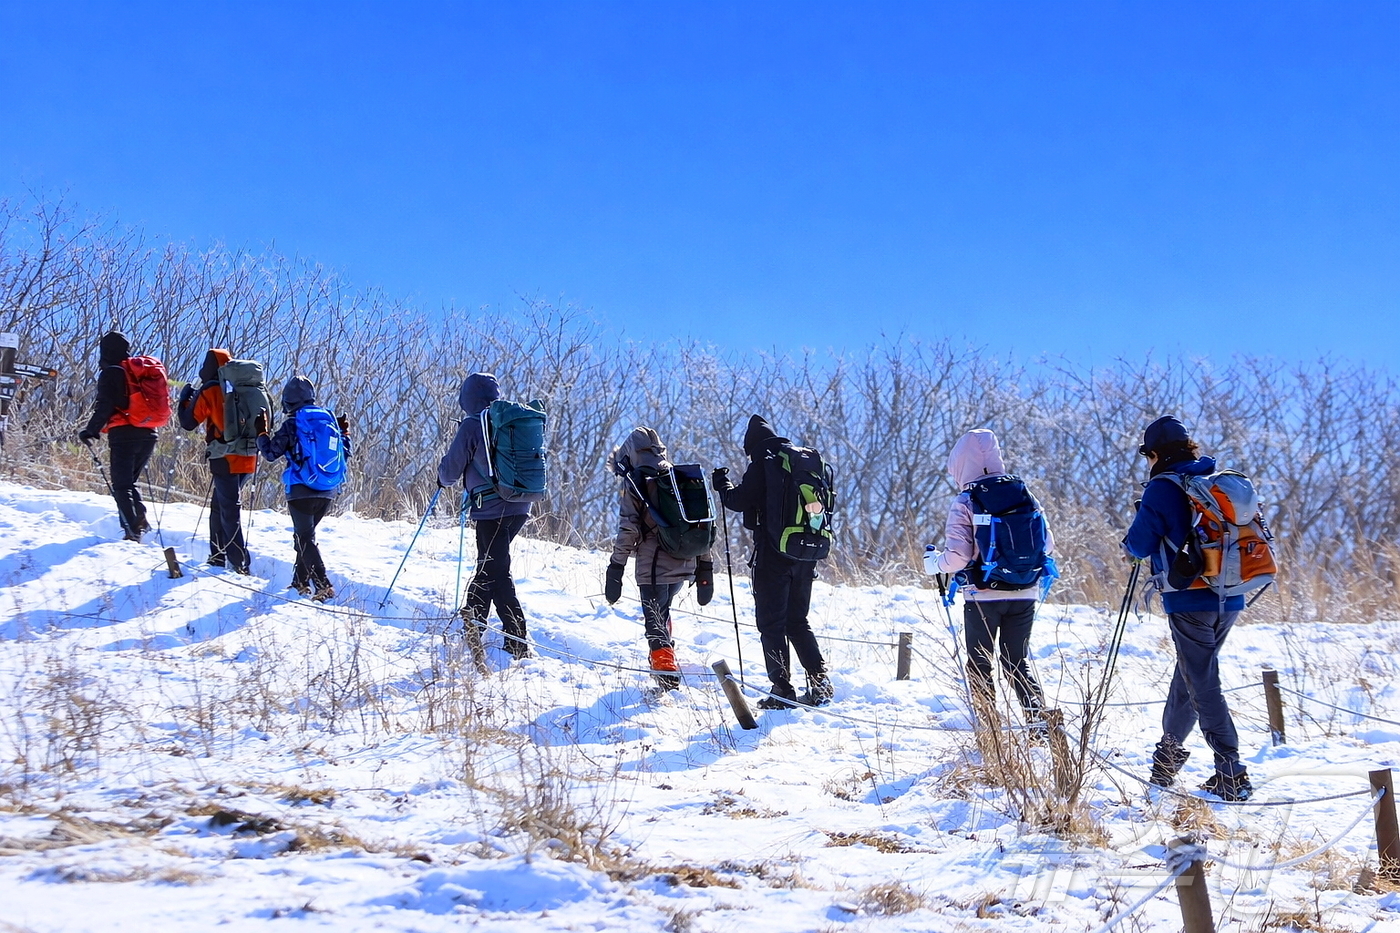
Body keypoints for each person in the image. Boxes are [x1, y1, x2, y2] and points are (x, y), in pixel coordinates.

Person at [1122, 415, 1253, 802]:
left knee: (1202, 681)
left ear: (1156, 453)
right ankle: (1166, 758)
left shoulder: (1162, 488)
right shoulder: (1213, 479)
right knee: (1191, 676)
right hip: (1229, 594)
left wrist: (1128, 545)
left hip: (1189, 596)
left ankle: (1231, 772)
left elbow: (1140, 544)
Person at [923, 429, 1053, 723]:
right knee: (1017, 663)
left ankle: (988, 729)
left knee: (980, 664)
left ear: (959, 463)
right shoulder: (1024, 493)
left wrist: (934, 563)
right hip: (1024, 591)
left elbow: (957, 557)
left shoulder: (966, 500)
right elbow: (1048, 544)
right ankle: (1038, 723)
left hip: (983, 595)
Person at [712, 414, 833, 709]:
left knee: (771, 624)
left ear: (751, 447)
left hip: (773, 556)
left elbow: (739, 501)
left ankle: (782, 690)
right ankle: (820, 684)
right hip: (805, 555)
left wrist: (722, 485)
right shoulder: (799, 463)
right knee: (797, 621)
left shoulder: (764, 462)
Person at [604, 427, 715, 691]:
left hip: (653, 564)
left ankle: (666, 676)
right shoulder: (678, 476)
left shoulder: (636, 481)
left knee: (654, 620)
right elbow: (702, 522)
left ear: (630, 453)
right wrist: (705, 565)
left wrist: (616, 566)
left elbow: (628, 528)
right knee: (662, 612)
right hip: (685, 558)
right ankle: (664, 659)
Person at [438, 372, 531, 661]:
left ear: (467, 399)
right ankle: (479, 626)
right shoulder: (510, 421)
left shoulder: (472, 424)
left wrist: (442, 478)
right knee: (493, 566)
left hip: (491, 509)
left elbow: (451, 469)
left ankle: (506, 637)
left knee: (494, 568)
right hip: (521, 504)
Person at [255, 376, 348, 602]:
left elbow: (270, 454)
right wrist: (345, 433)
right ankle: (299, 583)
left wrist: (261, 433)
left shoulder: (293, 423)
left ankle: (323, 584)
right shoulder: (328, 420)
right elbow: (346, 452)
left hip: (300, 490)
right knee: (305, 537)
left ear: (288, 401)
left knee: (304, 539)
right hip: (327, 490)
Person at [176, 348, 255, 573]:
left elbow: (188, 422)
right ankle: (218, 556)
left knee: (227, 509)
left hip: (224, 458)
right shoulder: (243, 386)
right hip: (248, 457)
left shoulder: (211, 389)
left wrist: (184, 400)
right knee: (220, 507)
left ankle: (239, 563)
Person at [78, 331, 158, 541]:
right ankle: (139, 520)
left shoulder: (112, 372)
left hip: (125, 434)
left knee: (122, 485)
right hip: (149, 433)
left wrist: (91, 430)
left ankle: (132, 531)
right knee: (129, 482)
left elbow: (106, 405)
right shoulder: (135, 371)